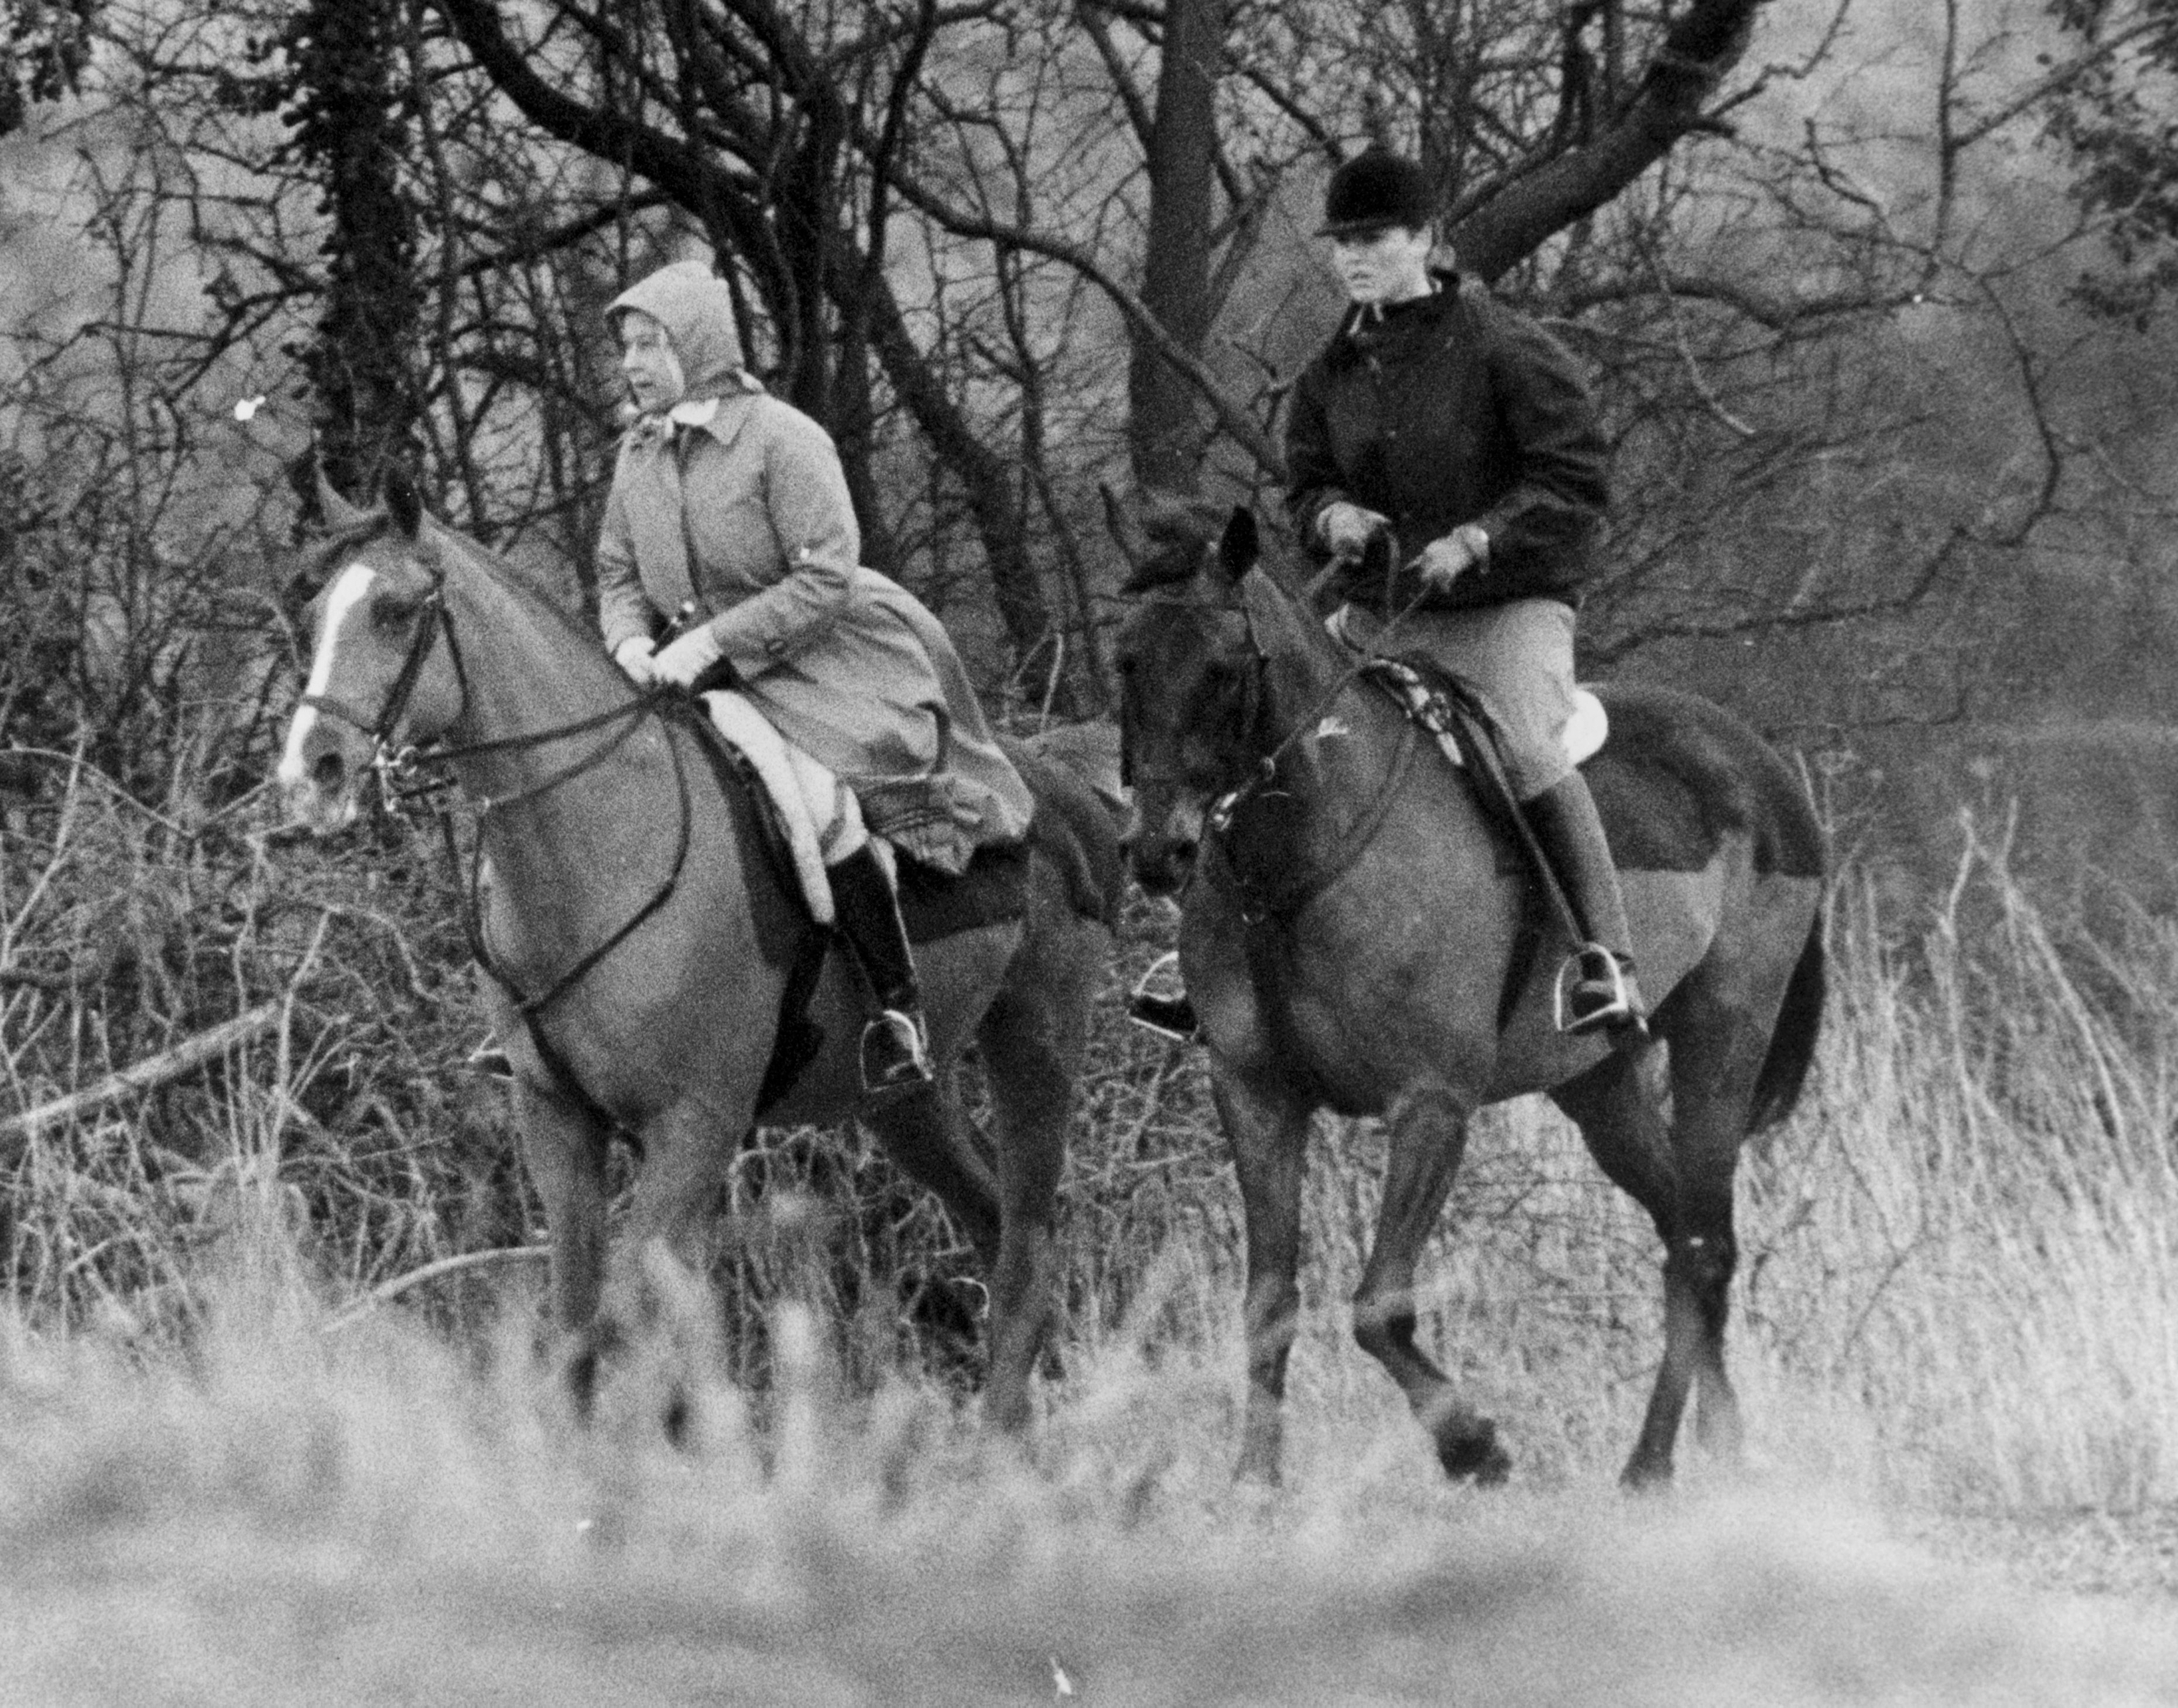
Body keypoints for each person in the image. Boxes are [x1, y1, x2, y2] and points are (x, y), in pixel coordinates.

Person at [596, 258, 1036, 1091]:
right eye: (627, 345)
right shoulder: (639, 451)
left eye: (651, 343)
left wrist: (711, 642)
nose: (634, 362)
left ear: (697, 342)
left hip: (815, 662)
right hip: (688, 675)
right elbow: (618, 572)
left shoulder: (785, 439)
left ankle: (898, 1009)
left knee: (818, 807)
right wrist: (628, 644)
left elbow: (827, 575)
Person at [1286, 147, 1643, 1035]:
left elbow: (1575, 478)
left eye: (1374, 239)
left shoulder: (1509, 350)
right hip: (1381, 617)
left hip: (1505, 611)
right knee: (1273, 723)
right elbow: (1304, 484)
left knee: (1526, 746)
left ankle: (1606, 959)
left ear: (1428, 241)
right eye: (1342, 243)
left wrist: (1481, 538)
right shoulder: (1326, 377)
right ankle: (1211, 960)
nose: (1354, 258)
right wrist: (1331, 517)